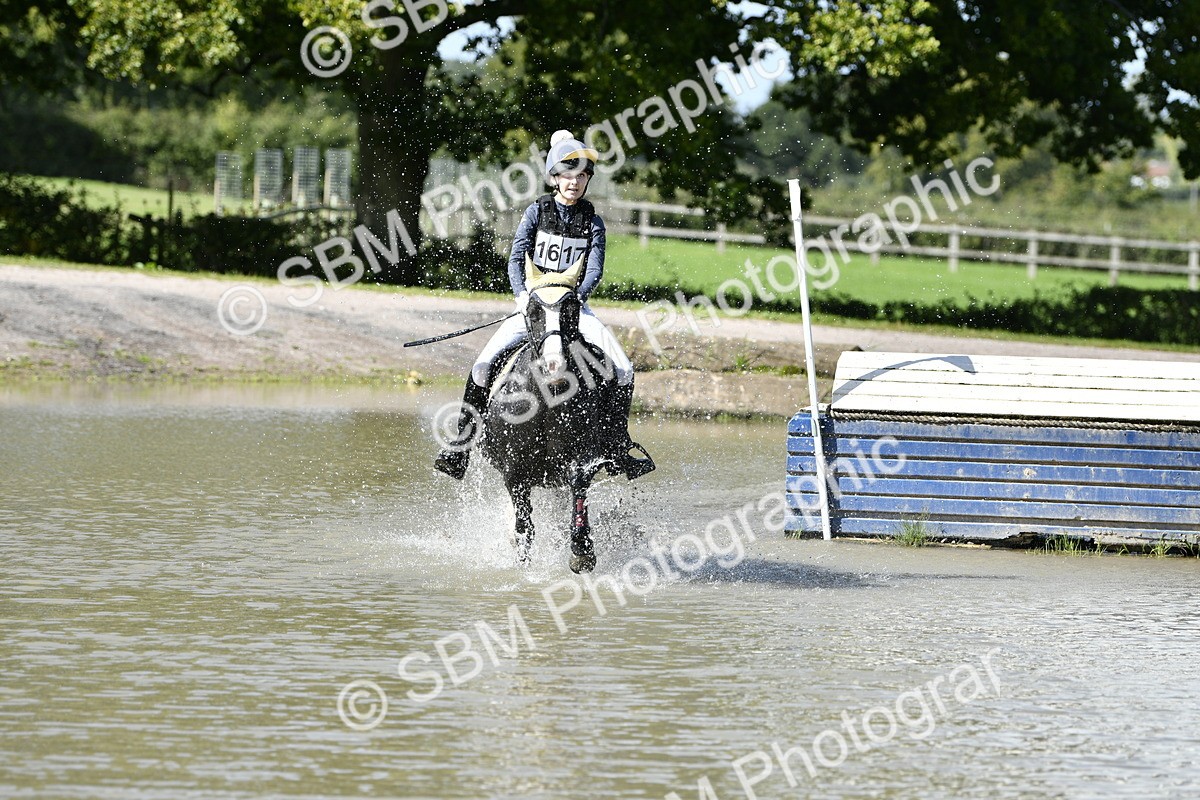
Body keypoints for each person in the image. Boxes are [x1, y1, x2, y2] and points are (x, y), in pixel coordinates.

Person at [434, 129, 653, 480]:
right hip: (533, 307)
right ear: (555, 177)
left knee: (624, 369)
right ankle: (460, 448)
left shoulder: (594, 222)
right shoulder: (536, 212)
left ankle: (617, 447)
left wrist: (574, 300)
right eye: (568, 175)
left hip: (572, 307)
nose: (575, 182)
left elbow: (594, 271)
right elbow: (515, 259)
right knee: (482, 365)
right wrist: (522, 298)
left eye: (582, 176)